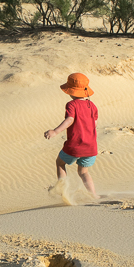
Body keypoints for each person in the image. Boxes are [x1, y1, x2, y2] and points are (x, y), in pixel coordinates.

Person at [44, 72, 99, 201]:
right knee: (83, 172)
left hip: (75, 145)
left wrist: (55, 131)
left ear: (71, 91)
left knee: (60, 163)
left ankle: (62, 189)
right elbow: (94, 123)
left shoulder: (72, 105)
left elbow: (70, 120)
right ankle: (94, 195)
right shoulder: (92, 106)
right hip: (91, 147)